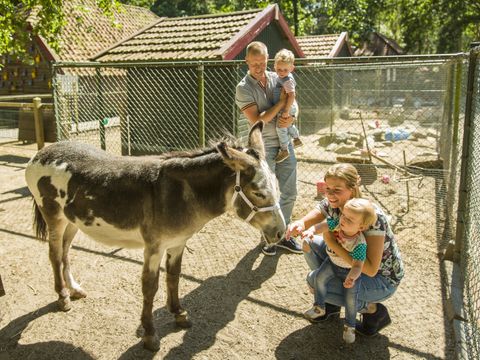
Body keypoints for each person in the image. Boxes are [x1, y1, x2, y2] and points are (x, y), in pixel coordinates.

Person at [286, 163, 404, 336]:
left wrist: (332, 244)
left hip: (381, 279)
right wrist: (301, 224)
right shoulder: (335, 203)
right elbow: (319, 210)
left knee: (314, 281)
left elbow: (371, 269)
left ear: (353, 187)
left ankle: (374, 311)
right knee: (309, 242)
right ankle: (331, 305)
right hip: (348, 264)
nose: (330, 194)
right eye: (328, 188)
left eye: (337, 189)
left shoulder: (371, 216)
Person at [235, 41, 301, 256]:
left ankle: (283, 235)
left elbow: (294, 101)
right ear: (246, 61)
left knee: (290, 192)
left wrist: (292, 115)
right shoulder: (244, 88)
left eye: (263, 63)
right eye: (254, 63)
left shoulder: (277, 76)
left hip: (285, 144)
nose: (259, 67)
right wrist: (281, 105)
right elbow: (258, 122)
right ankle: (268, 239)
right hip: (264, 147)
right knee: (268, 196)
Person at [301, 198, 377, 343]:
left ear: (361, 227)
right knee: (319, 279)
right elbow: (321, 226)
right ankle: (319, 307)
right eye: (344, 215)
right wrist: (311, 231)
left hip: (349, 271)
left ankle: (350, 326)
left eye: (350, 219)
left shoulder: (360, 244)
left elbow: (357, 266)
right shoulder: (337, 224)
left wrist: (352, 278)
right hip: (331, 263)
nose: (343, 220)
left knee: (350, 300)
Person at [272, 49, 303, 163]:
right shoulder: (279, 77)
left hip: (287, 106)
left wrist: (286, 111)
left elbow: (291, 95)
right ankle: (296, 138)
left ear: (291, 68)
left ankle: (284, 149)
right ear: (275, 66)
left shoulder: (287, 80)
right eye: (279, 69)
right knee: (287, 125)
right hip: (286, 106)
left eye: (285, 70)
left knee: (280, 127)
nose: (281, 72)